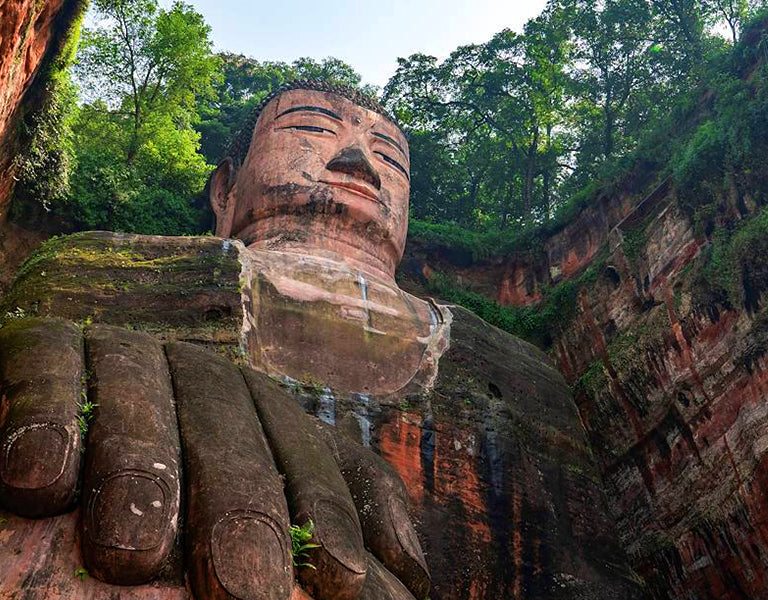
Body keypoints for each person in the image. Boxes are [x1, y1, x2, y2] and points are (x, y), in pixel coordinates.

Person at [0, 81, 640, 599]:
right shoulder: (104, 273)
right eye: (310, 127)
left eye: (389, 158)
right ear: (225, 190)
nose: (359, 161)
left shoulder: (513, 370)